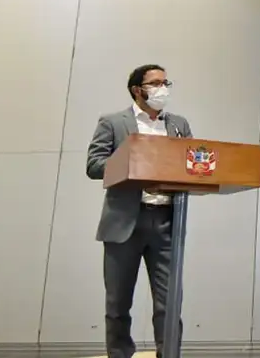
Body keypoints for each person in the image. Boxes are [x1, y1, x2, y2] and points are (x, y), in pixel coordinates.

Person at [86, 64, 193, 358]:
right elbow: (94, 166)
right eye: (156, 83)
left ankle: (169, 354)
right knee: (118, 302)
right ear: (138, 90)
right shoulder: (112, 122)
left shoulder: (178, 125)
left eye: (165, 82)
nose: (163, 89)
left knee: (169, 303)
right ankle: (120, 354)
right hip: (124, 222)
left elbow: (190, 164)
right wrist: (135, 165)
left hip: (167, 221)